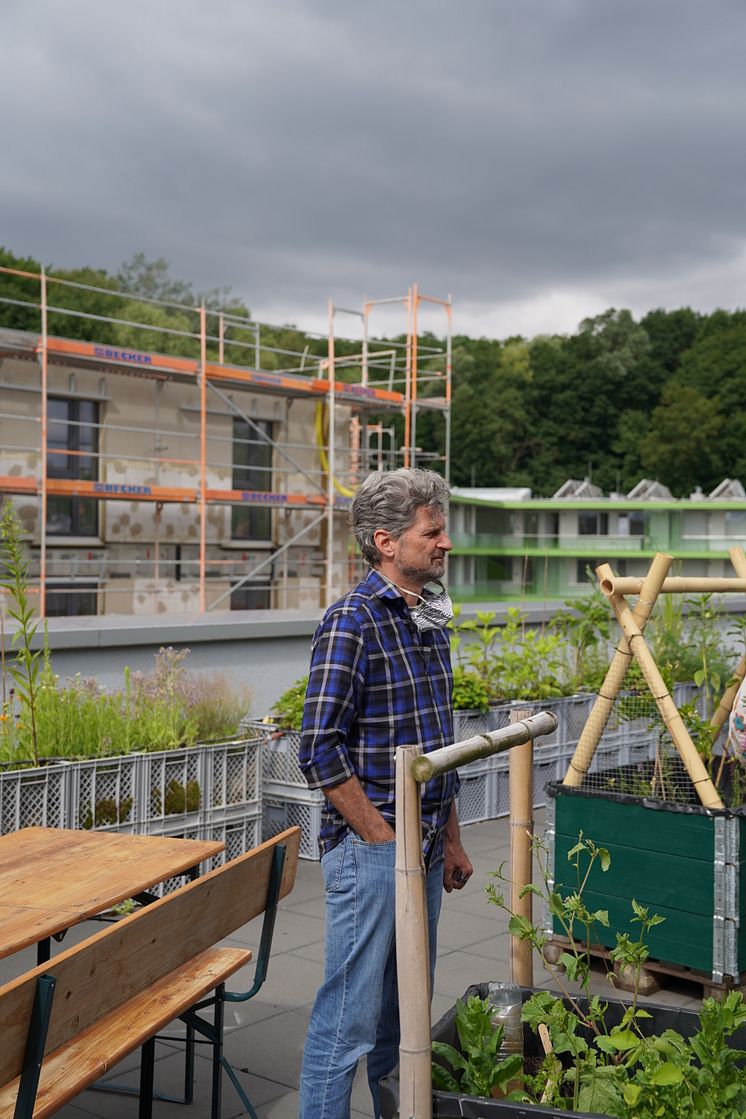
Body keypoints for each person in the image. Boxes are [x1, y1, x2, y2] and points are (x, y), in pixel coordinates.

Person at [298, 467, 473, 1119]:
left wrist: (448, 839)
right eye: (432, 532)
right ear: (385, 541)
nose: (445, 542)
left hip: (424, 855)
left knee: (405, 1021)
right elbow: (318, 747)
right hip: (373, 855)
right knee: (347, 1026)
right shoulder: (352, 622)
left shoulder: (429, 620)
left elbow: (436, 744)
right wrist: (382, 838)